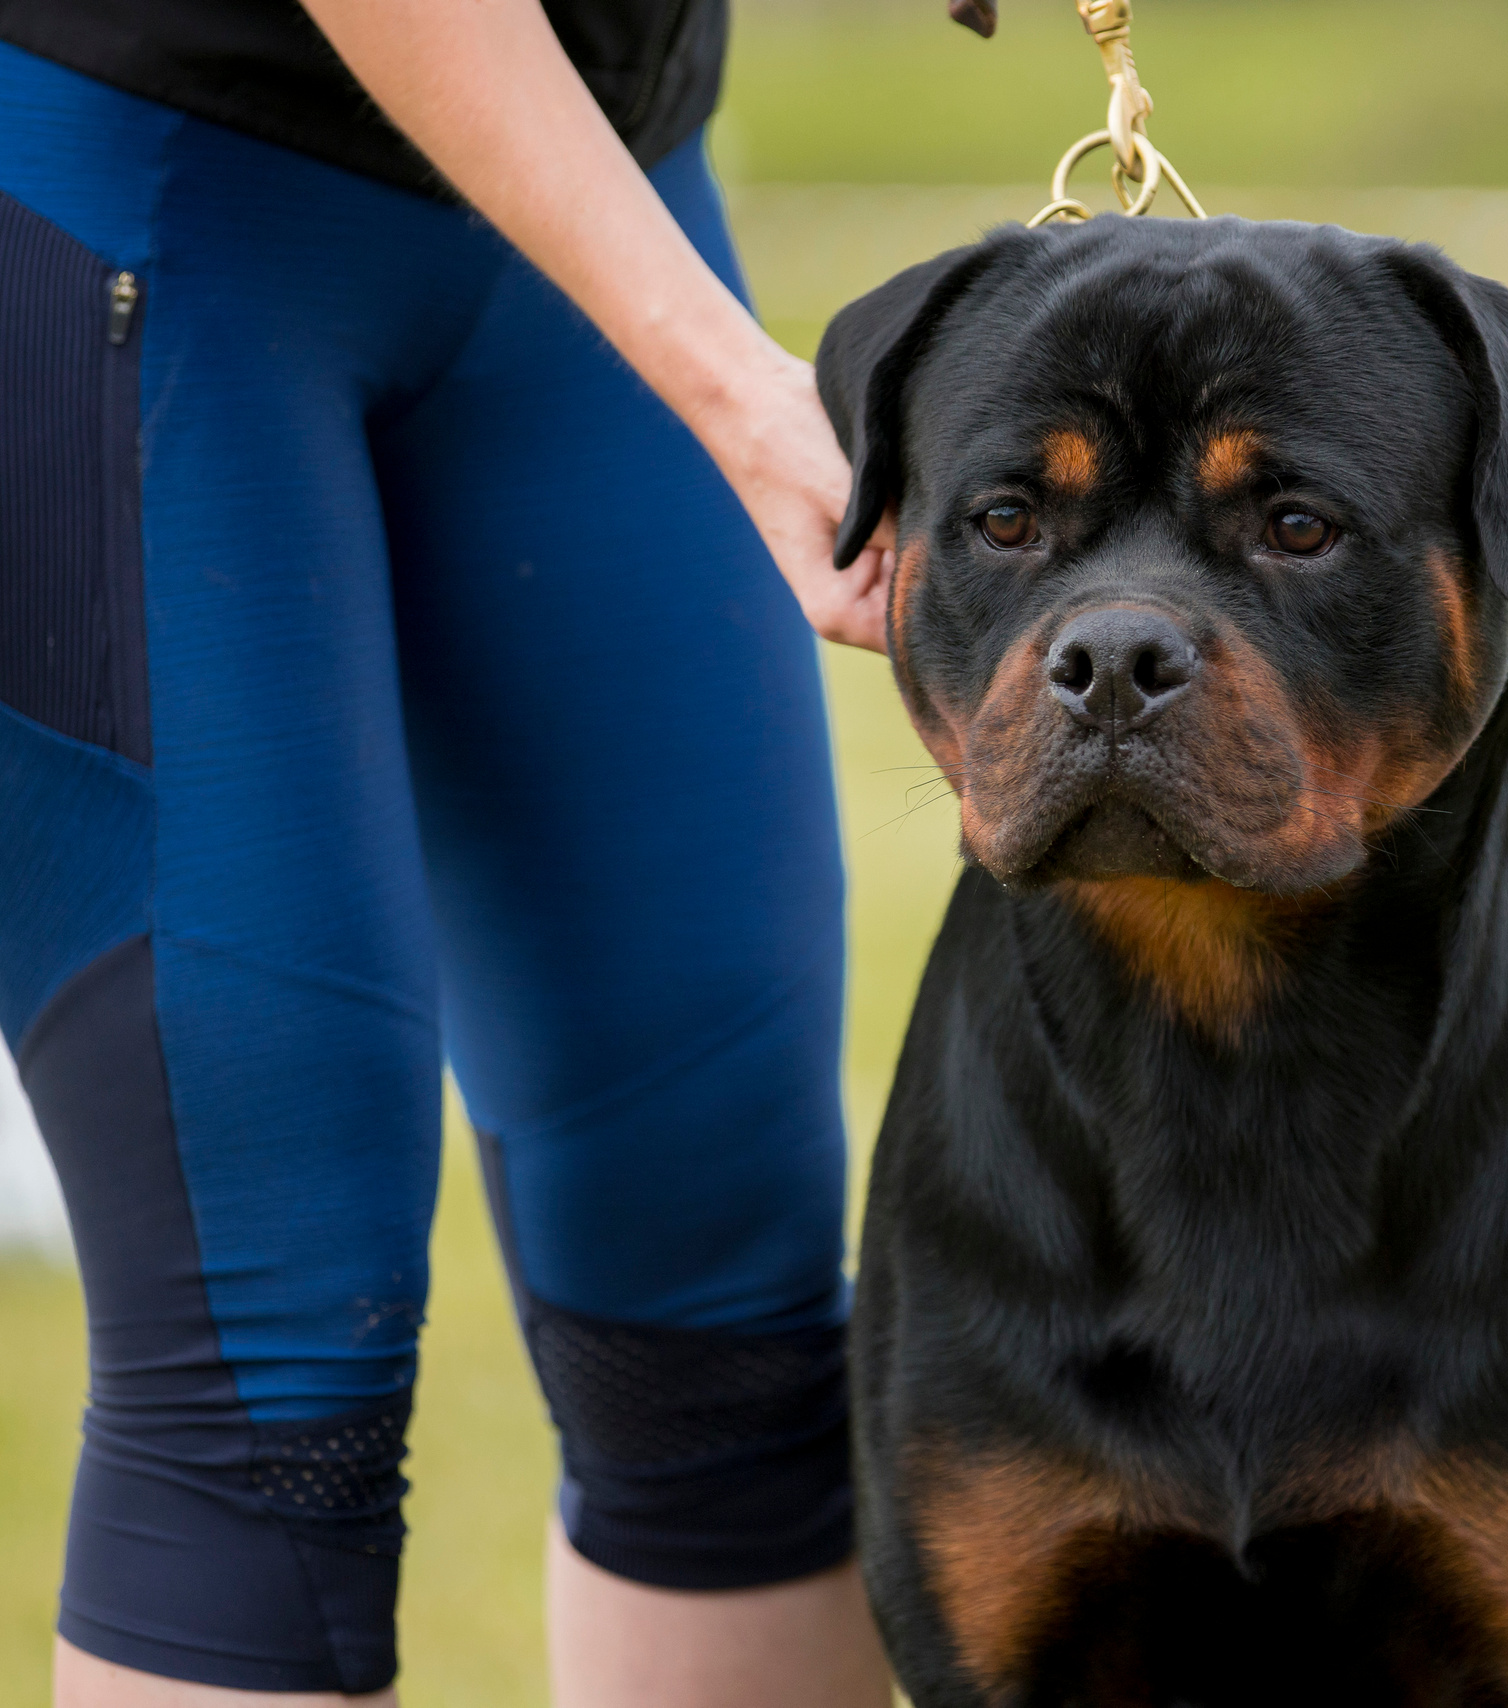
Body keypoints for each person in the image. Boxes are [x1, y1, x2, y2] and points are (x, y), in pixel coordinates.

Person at [0, 0, 905, 1698]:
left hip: (603, 167)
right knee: (273, 1394)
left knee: (725, 1346)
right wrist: (730, 383)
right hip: (125, 180)